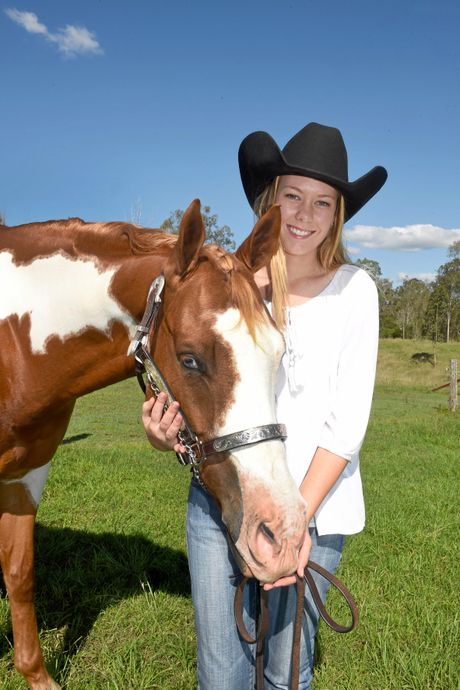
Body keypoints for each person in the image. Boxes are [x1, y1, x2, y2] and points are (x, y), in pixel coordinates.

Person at [142, 122, 387, 690]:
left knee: (285, 670)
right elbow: (203, 386)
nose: (305, 214)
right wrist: (167, 434)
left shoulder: (355, 291)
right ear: (269, 202)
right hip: (221, 500)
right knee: (219, 671)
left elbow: (346, 423)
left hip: (312, 512)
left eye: (322, 202)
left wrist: (295, 522)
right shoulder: (235, 284)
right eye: (292, 196)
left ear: (336, 215)